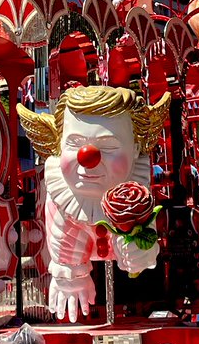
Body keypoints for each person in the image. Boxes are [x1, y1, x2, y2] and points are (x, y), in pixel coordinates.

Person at [17, 84, 170, 323]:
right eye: (74, 143)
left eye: (108, 146)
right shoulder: (61, 197)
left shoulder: (136, 192)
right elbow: (62, 239)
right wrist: (68, 275)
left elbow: (144, 238)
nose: (87, 157)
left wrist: (139, 251)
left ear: (136, 148)